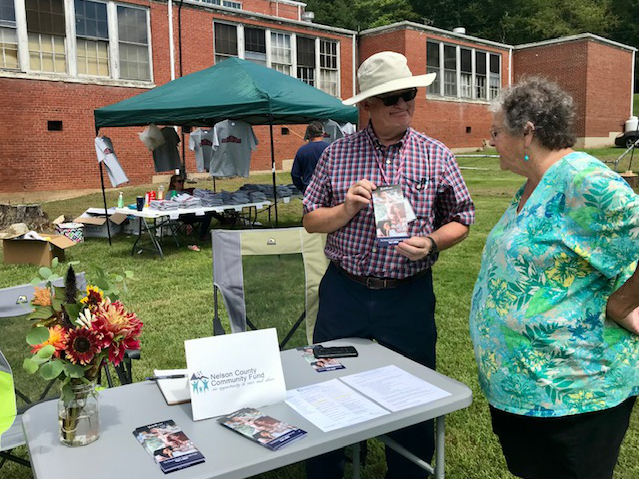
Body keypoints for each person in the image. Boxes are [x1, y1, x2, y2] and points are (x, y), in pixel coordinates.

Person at [303, 51, 475, 479]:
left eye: (409, 94)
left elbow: (463, 218)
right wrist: (343, 211)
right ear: (366, 106)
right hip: (345, 291)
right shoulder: (335, 155)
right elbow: (309, 219)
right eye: (390, 98)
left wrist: (433, 241)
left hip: (407, 296)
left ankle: (408, 471)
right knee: (328, 385)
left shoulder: (436, 155)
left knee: (412, 392)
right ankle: (327, 467)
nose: (403, 105)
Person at [469, 77, 639, 479]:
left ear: (527, 132)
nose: (491, 141)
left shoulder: (584, 180)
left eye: (495, 131)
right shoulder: (533, 185)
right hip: (526, 389)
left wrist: (623, 303)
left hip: (573, 394)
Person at [166, 174, 212, 247]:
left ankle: (202, 235)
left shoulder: (185, 193)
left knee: (209, 213)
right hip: (181, 215)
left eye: (182, 181)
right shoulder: (170, 193)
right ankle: (202, 235)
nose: (182, 183)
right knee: (207, 214)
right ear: (174, 183)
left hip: (192, 212)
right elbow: (168, 204)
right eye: (179, 181)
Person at [291, 121, 330, 193]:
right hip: (326, 189)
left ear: (309, 134)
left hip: (308, 188)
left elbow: (295, 174)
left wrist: (302, 188)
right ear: (322, 133)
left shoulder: (302, 150)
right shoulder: (330, 148)